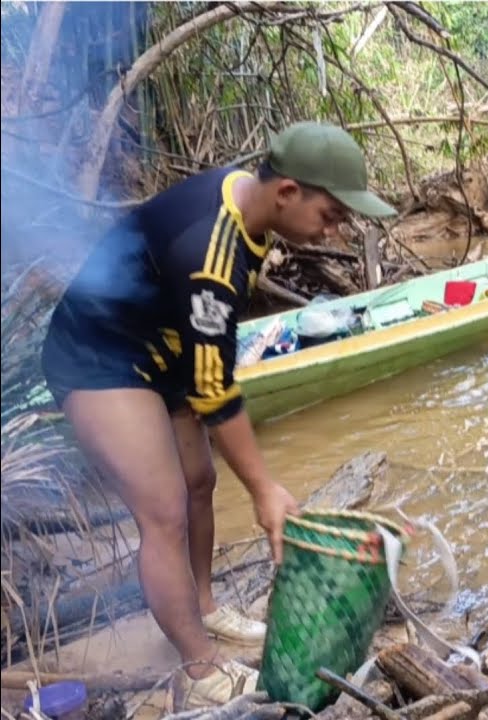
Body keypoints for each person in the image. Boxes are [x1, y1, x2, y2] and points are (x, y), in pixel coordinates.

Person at [40, 121, 397, 709]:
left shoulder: (246, 206)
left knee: (201, 480)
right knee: (164, 509)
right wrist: (264, 489)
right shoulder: (210, 251)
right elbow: (213, 389)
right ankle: (200, 667)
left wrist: (250, 478)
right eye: (332, 214)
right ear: (287, 192)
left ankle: (205, 607)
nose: (336, 228)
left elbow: (212, 361)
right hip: (100, 355)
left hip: (162, 342)